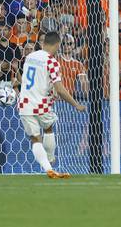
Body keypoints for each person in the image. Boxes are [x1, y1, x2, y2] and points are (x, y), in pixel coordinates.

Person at [18, 31, 86, 179]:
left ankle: (48, 168)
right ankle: (50, 157)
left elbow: (30, 78)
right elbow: (60, 89)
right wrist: (76, 105)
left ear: (43, 43)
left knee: (35, 139)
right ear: (57, 45)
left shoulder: (30, 57)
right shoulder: (52, 61)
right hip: (41, 104)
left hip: (24, 103)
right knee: (48, 129)